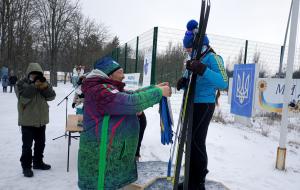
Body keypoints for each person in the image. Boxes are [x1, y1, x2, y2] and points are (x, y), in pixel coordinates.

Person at [78, 56, 171, 190]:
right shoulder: (100, 90)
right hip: (102, 159)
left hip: (108, 155)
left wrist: (153, 88)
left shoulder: (106, 87)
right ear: (110, 74)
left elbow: (130, 95)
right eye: (120, 72)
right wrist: (158, 93)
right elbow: (130, 102)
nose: (123, 76)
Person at [176, 20, 228, 190]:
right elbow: (190, 77)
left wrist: (203, 69)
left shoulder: (213, 58)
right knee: (188, 142)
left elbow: (223, 82)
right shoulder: (194, 58)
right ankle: (190, 179)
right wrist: (183, 81)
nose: (187, 52)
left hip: (204, 104)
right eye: (187, 49)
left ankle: (199, 182)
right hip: (191, 103)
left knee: (197, 142)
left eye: (189, 48)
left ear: (199, 45)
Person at [15, 63, 56, 177]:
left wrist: (45, 87)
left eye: (38, 74)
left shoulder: (44, 83)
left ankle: (38, 162)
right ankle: (26, 166)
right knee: (27, 146)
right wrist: (34, 86)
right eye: (33, 74)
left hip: (41, 120)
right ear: (29, 74)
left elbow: (51, 96)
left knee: (40, 143)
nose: (35, 77)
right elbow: (22, 99)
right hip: (27, 121)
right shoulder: (21, 83)